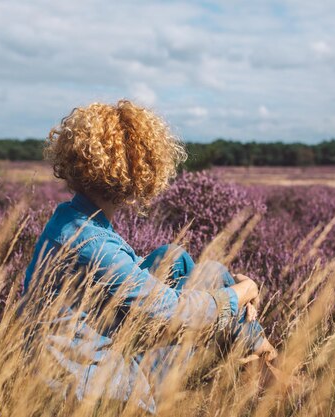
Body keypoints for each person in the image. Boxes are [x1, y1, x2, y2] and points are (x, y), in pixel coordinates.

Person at [23, 100, 276, 413]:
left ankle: (256, 355)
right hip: (96, 389)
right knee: (213, 277)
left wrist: (230, 298)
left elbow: (128, 281)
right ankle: (261, 359)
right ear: (141, 172)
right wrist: (243, 292)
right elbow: (175, 312)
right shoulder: (94, 244)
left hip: (69, 366)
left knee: (175, 257)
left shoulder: (69, 220)